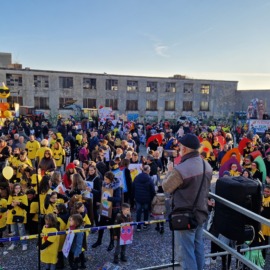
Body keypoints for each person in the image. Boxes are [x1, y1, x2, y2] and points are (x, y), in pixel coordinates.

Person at [162, 133, 212, 270]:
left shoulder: (181, 169)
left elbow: (166, 187)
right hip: (201, 212)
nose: (178, 148)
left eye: (180, 146)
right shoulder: (206, 165)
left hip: (185, 216)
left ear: (185, 149)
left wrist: (170, 172)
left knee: (187, 253)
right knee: (198, 248)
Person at [132, 165, 156, 231]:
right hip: (146, 198)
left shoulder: (137, 177)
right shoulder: (149, 179)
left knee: (138, 212)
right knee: (146, 211)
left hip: (138, 197)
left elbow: (133, 187)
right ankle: (145, 225)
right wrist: (152, 197)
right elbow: (152, 190)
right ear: (148, 171)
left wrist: (134, 196)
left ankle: (138, 226)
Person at [7, 183, 28, 251]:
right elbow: (8, 207)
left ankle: (24, 244)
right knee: (13, 231)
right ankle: (14, 243)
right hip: (12, 215)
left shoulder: (24, 196)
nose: (17, 190)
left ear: (21, 189)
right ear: (13, 189)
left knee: (21, 230)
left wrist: (19, 203)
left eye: (19, 188)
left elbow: (25, 207)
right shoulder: (11, 196)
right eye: (16, 188)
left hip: (20, 215)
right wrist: (12, 205)